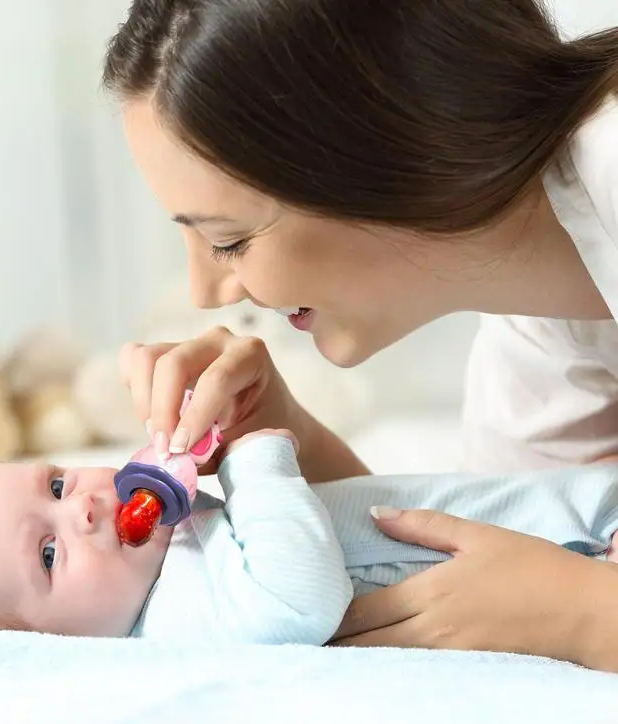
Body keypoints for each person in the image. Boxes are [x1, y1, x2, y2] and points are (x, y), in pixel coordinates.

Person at [98, 0, 618, 669]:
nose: (208, 294)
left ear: (384, 149)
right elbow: (503, 548)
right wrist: (282, 432)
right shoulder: (543, 309)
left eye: (229, 240)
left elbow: (556, 591)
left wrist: (589, 615)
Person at [0, 428, 618, 643]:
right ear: (50, 645)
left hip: (566, 512)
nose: (85, 508)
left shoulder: (171, 553)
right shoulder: (180, 619)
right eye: (50, 553)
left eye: (58, 485)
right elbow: (302, 594)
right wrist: (250, 459)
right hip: (576, 546)